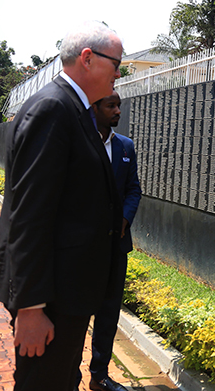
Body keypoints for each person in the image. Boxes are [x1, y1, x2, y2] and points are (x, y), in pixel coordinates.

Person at [0, 21, 123, 391]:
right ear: (88, 59)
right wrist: (31, 309)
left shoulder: (75, 110)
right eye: (117, 64)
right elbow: (30, 214)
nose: (119, 74)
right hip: (49, 300)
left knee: (61, 380)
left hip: (66, 293)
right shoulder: (53, 108)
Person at [75, 91, 141, 391]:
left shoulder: (125, 146)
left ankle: (99, 375)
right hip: (83, 247)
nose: (117, 111)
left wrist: (124, 220)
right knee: (76, 313)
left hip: (117, 245)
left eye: (119, 106)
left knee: (108, 311)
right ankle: (69, 377)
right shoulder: (78, 143)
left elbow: (133, 190)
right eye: (111, 106)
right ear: (95, 108)